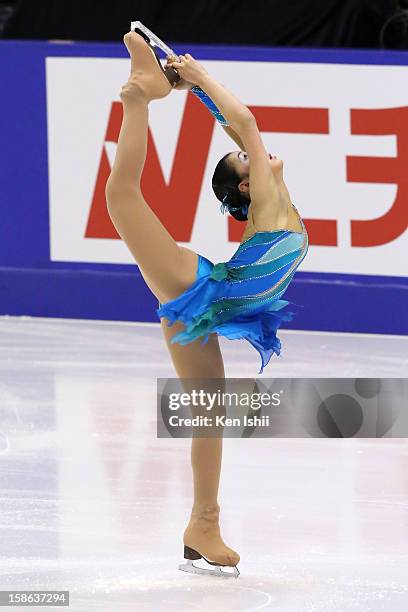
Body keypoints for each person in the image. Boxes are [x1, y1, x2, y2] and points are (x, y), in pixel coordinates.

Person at [105, 31, 308, 577]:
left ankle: (204, 524)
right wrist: (195, 78)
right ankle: (137, 97)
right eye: (248, 161)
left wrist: (198, 90)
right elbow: (244, 122)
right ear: (246, 188)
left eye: (249, 159)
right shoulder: (266, 199)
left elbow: (233, 125)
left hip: (212, 310)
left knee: (208, 411)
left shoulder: (275, 198)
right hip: (200, 287)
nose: (257, 156)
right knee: (121, 197)